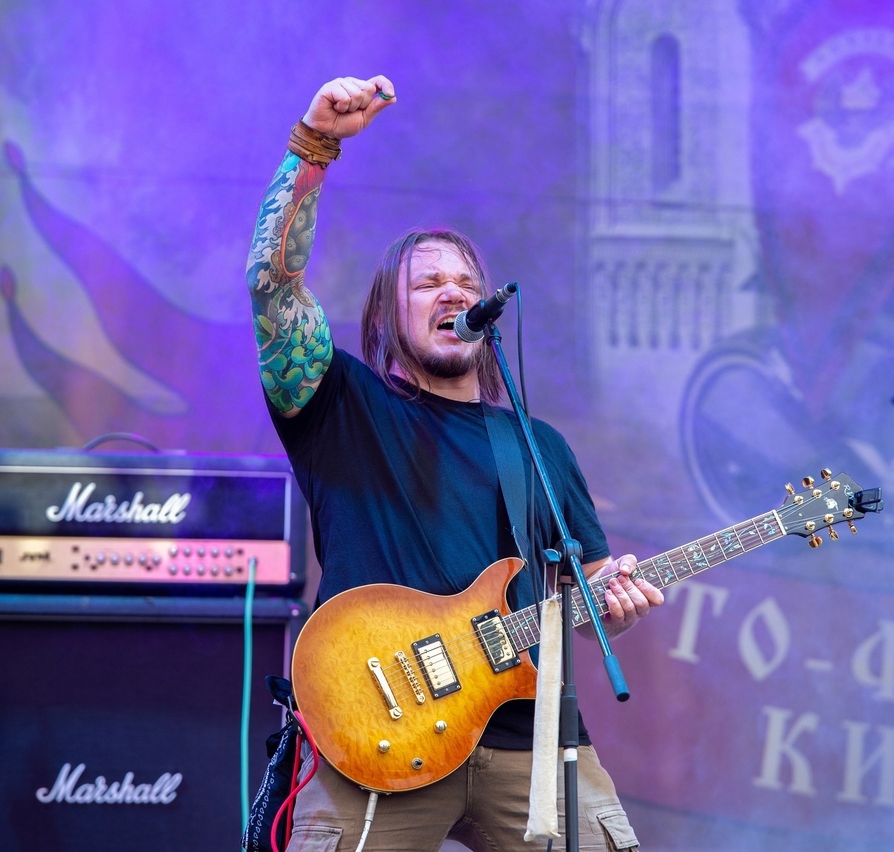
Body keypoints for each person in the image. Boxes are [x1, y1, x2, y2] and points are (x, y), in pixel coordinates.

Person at [246, 74, 664, 851]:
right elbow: (273, 289)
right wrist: (315, 144)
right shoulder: (343, 405)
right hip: (374, 729)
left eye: (467, 283)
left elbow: (587, 590)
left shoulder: (537, 446)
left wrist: (616, 599)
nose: (454, 292)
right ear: (387, 312)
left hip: (530, 738)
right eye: (430, 282)